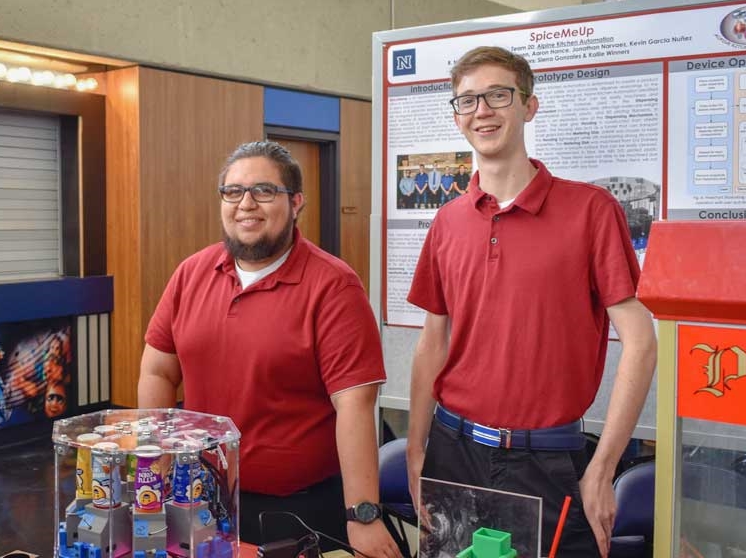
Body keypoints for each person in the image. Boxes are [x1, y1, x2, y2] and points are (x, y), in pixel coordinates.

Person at [406, 47, 656, 558]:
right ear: (457, 117)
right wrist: (416, 450)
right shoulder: (448, 221)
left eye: (499, 95)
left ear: (529, 106)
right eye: (468, 100)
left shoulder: (590, 210)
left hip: (547, 460)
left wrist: (603, 467)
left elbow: (641, 340)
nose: (483, 110)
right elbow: (434, 340)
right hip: (453, 453)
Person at [139, 141, 400, 558]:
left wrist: (362, 514)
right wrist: (155, 472)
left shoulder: (333, 286)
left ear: (296, 202)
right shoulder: (191, 273)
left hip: (295, 510)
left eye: (264, 191)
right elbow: (158, 373)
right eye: (233, 191)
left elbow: (354, 405)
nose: (246, 204)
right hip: (198, 498)